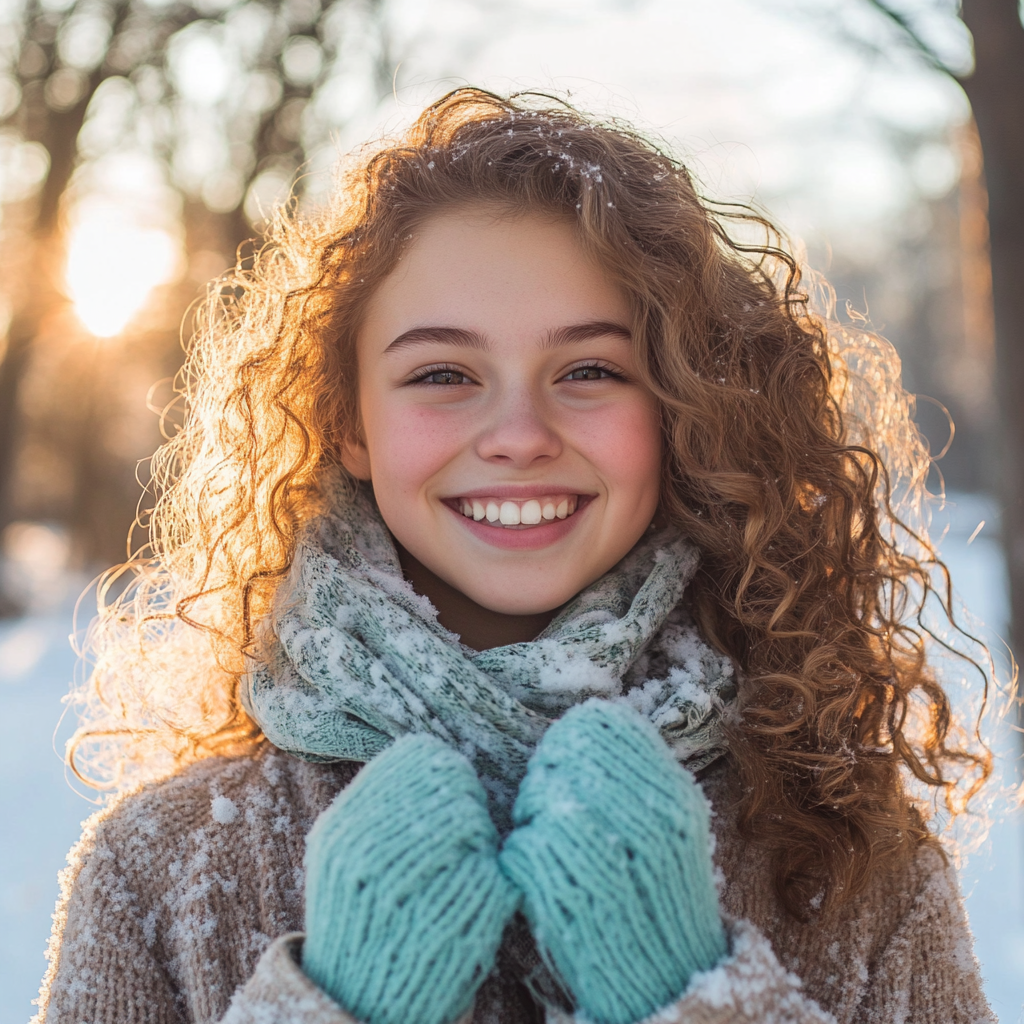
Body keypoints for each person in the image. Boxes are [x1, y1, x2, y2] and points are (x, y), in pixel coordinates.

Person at [35, 88, 996, 1024]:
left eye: (589, 370)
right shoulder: (157, 872)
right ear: (350, 423)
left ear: (680, 412)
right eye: (443, 374)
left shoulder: (849, 860)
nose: (519, 434)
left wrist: (696, 999)